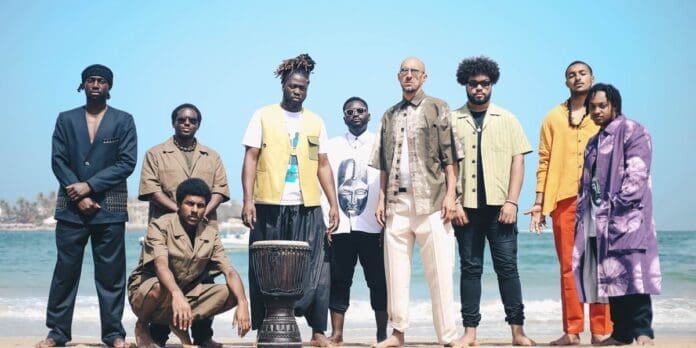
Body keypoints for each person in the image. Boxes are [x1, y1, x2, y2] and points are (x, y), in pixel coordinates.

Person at [240, 53, 339, 347]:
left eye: (303, 87)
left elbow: (322, 164)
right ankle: (265, 325)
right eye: (293, 86)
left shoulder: (316, 121)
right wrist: (248, 200)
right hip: (269, 203)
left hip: (306, 205)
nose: (297, 91)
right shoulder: (262, 115)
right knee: (266, 267)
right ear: (283, 84)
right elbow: (250, 158)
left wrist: (333, 204)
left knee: (318, 266)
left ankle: (318, 330)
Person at [37, 64, 137, 348]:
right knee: (65, 273)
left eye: (101, 81)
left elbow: (127, 162)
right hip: (71, 209)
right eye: (90, 80)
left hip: (110, 208)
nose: (96, 84)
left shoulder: (123, 120)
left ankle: (114, 335)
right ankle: (57, 333)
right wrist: (79, 195)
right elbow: (58, 160)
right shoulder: (66, 119)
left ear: (110, 87)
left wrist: (90, 186)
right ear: (82, 85)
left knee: (111, 276)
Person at [370, 57, 464, 347]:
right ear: (398, 77)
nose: (409, 76)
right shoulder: (389, 114)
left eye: (415, 72)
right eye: (404, 71)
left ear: (424, 77)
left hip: (433, 203)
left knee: (441, 273)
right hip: (398, 205)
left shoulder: (438, 107)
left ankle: (448, 337)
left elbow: (451, 157)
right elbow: (384, 162)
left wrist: (452, 195)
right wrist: (382, 199)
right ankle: (397, 334)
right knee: (395, 275)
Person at [525, 61, 611, 345]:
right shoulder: (552, 117)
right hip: (562, 199)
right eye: (572, 75)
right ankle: (572, 331)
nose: (577, 78)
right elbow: (544, 161)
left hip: (599, 200)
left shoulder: (605, 113)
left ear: (592, 77)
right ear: (566, 82)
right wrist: (539, 203)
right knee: (569, 268)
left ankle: (600, 330)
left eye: (582, 73)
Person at [451, 56, 535, 346]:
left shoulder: (508, 119)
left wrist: (512, 202)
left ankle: (517, 332)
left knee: (508, 269)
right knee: (470, 270)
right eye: (473, 83)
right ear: (465, 84)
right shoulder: (451, 119)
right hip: (466, 211)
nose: (479, 88)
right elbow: (444, 166)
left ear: (492, 84)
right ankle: (470, 333)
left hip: (501, 210)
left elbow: (518, 162)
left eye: (485, 83)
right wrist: (455, 202)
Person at [572, 83, 661, 346]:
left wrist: (616, 206)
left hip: (628, 218)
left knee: (634, 276)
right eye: (592, 107)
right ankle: (621, 334)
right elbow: (587, 184)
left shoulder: (633, 131)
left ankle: (643, 332)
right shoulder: (593, 142)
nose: (597, 111)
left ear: (614, 106)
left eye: (602, 105)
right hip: (598, 222)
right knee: (612, 278)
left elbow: (637, 174)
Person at [138, 103, 230, 347]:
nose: (187, 124)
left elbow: (220, 190)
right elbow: (151, 189)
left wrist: (200, 213)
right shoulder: (155, 154)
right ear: (173, 122)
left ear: (198, 124)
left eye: (192, 120)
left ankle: (203, 337)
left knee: (205, 281)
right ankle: (157, 336)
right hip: (167, 229)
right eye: (182, 120)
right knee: (165, 279)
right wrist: (179, 211)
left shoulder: (212, 156)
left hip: (203, 230)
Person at [128, 178, 250, 348]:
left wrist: (243, 302)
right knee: (158, 287)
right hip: (148, 293)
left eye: (200, 206)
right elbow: (161, 265)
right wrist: (177, 295)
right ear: (179, 204)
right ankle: (141, 326)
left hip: (183, 294)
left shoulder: (210, 233)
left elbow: (229, 271)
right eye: (189, 204)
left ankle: (177, 322)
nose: (194, 210)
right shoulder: (160, 226)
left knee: (232, 293)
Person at [323, 97, 387, 344]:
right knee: (340, 280)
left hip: (373, 225)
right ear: (344, 118)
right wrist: (327, 216)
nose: (355, 115)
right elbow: (324, 181)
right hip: (341, 227)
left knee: (378, 281)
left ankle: (382, 333)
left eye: (360, 111)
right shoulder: (332, 145)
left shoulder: (379, 144)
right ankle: (337, 334)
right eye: (350, 112)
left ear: (369, 116)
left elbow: (386, 183)